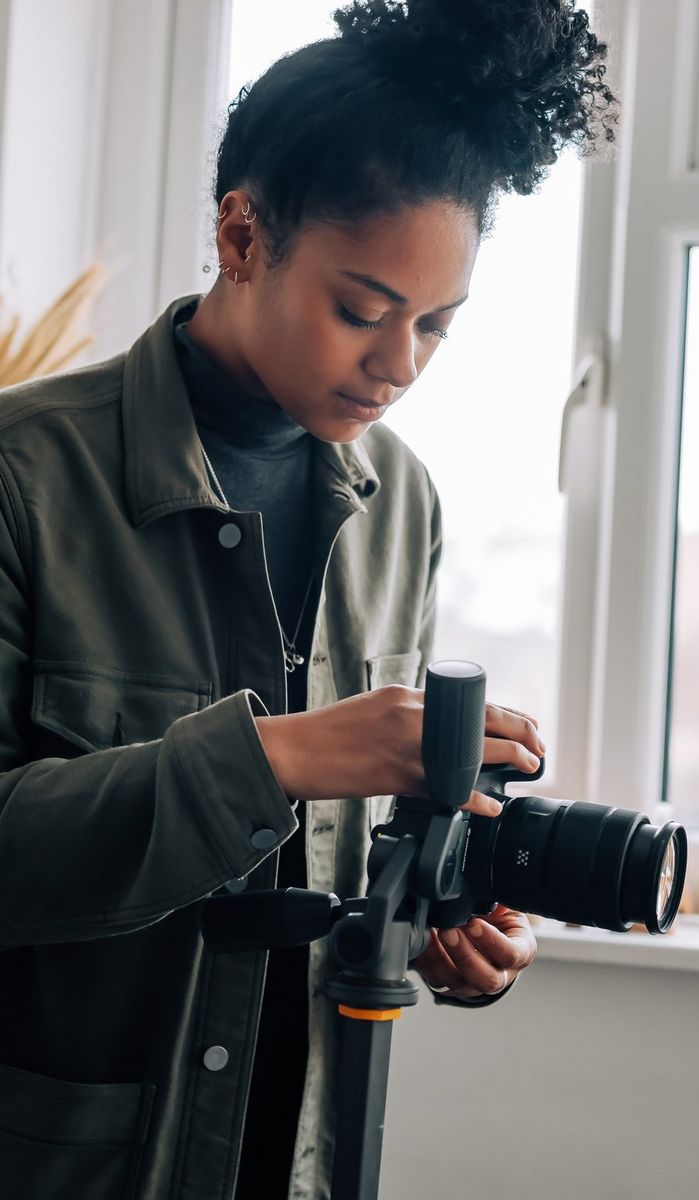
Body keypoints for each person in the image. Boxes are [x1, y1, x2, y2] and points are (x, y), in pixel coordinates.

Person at [0, 1, 616, 1197]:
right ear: (241, 236)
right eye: (362, 310)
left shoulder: (403, 503)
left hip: (306, 1157)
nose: (398, 364)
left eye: (436, 326)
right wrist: (275, 758)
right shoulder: (25, 476)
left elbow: (351, 863)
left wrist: (439, 928)